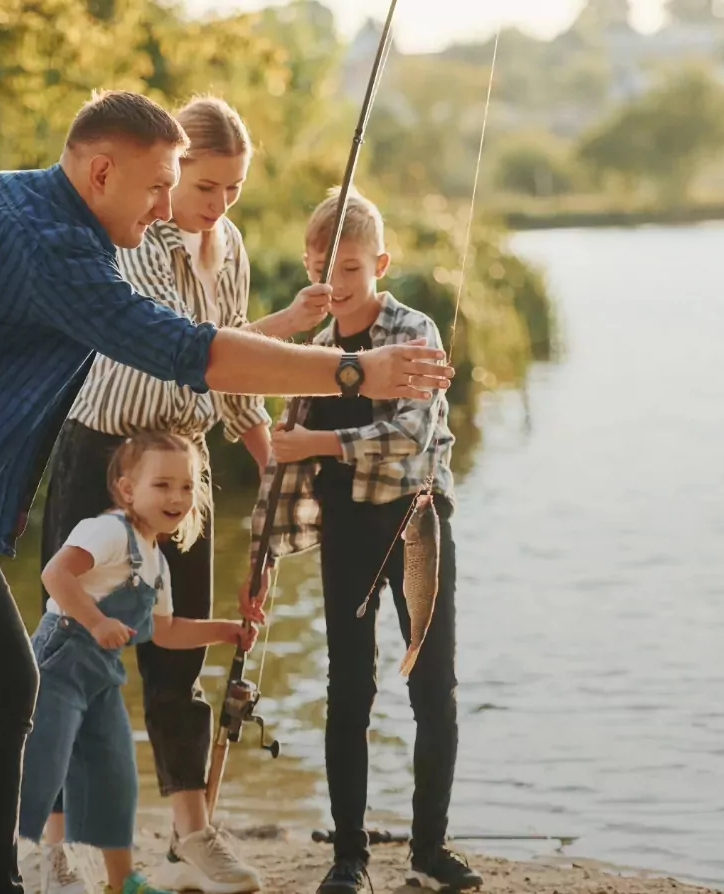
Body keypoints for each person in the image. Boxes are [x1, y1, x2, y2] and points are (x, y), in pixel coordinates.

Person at [0, 88, 454, 894]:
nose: (166, 209)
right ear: (101, 171)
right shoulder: (52, 250)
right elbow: (191, 351)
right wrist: (352, 368)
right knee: (6, 683)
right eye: (160, 187)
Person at [32, 95, 328, 894]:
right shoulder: (136, 239)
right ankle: (53, 849)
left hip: (183, 461)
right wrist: (280, 332)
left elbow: (233, 378)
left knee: (178, 657)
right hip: (103, 454)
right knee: (72, 658)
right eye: (205, 187)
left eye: (233, 190)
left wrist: (268, 458)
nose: (217, 206)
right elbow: (175, 348)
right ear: (172, 173)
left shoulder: (226, 243)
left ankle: (193, 834)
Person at [241, 188, 483, 893]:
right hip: (344, 527)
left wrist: (313, 441)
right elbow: (235, 381)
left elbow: (408, 437)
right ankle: (348, 856)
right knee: (348, 689)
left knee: (432, 688)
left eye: (348, 268)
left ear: (379, 262)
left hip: (415, 525)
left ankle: (429, 849)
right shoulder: (312, 351)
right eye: (319, 267)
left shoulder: (416, 332)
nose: (334, 283)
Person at [18, 432, 257, 894]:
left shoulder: (155, 562)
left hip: (101, 675)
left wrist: (225, 630)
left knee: (115, 774)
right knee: (57, 761)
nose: (177, 497)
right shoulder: (107, 530)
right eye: (163, 485)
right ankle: (50, 862)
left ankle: (121, 879)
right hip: (59, 661)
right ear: (128, 490)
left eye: (188, 487)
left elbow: (164, 631)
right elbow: (55, 574)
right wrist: (95, 620)